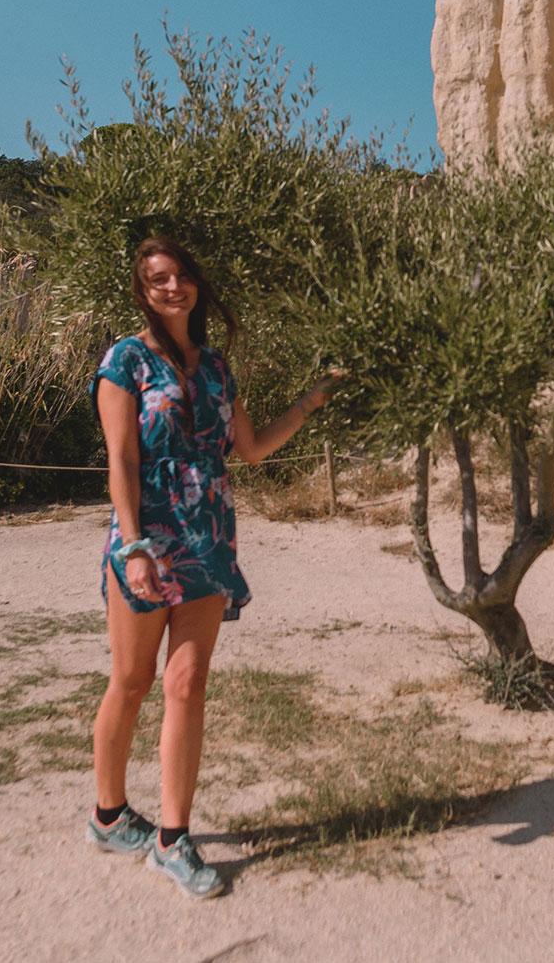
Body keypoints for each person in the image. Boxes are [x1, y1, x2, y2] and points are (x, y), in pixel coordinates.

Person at [86, 236, 342, 899]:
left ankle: (173, 838)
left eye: (181, 276)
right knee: (132, 679)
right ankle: (110, 815)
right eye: (158, 279)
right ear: (142, 290)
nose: (173, 287)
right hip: (148, 537)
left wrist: (310, 403)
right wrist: (132, 545)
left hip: (208, 538)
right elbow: (121, 459)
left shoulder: (217, 367)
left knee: (188, 682)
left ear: (197, 283)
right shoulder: (126, 360)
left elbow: (251, 448)